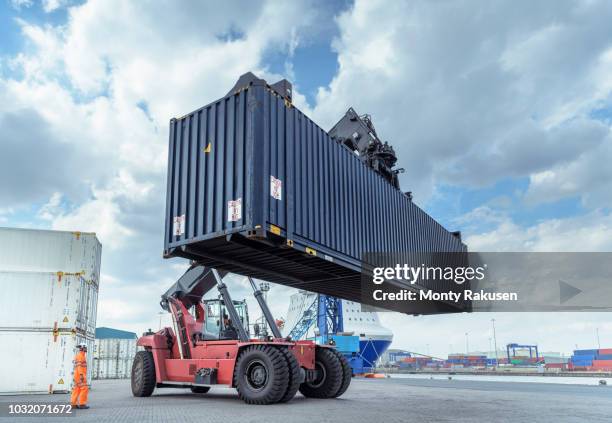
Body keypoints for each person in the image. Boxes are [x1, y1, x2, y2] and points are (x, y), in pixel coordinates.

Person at [70, 344, 89, 409]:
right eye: (85, 347)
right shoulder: (80, 356)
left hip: (77, 375)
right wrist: (81, 375)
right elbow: (79, 367)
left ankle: (73, 404)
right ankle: (82, 404)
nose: (86, 349)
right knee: (84, 389)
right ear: (83, 348)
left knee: (76, 389)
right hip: (80, 375)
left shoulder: (79, 355)